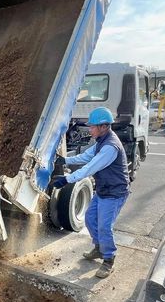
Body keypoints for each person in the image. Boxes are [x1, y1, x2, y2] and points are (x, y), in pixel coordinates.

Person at [53, 107, 129, 279]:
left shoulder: (110, 146)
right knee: (90, 219)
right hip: (104, 190)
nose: (90, 129)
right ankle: (99, 248)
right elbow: (86, 157)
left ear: (103, 126)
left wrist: (67, 179)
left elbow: (90, 168)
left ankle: (109, 259)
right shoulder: (101, 141)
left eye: (92, 126)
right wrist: (65, 159)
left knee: (104, 227)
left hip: (115, 192)